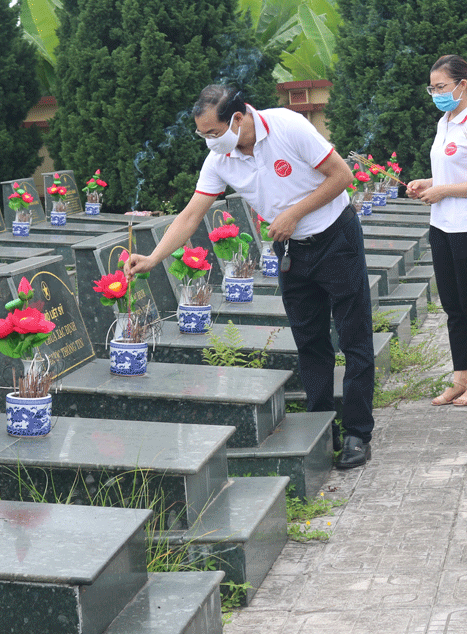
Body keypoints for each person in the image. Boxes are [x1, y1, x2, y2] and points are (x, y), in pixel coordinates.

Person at [125, 85, 376, 469]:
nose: (209, 142)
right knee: (310, 341)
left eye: (213, 132)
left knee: (353, 335)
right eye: (202, 135)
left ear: (238, 119)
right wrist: (154, 257)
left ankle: (358, 431)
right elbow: (191, 215)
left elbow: (341, 176)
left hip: (335, 238)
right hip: (292, 251)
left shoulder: (288, 127)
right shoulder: (220, 159)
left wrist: (293, 214)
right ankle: (322, 425)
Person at [406, 55, 467, 407]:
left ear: (463, 85)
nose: (436, 94)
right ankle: (461, 376)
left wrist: (443, 190)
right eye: (432, 88)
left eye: (442, 87)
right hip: (442, 225)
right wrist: (427, 183)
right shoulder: (445, 121)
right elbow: (451, 173)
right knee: (452, 306)